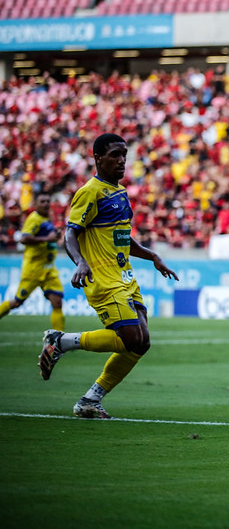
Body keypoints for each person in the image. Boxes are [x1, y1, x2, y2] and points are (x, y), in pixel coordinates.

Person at [37, 133, 179, 419]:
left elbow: (123, 238)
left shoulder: (120, 192)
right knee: (129, 339)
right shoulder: (90, 191)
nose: (121, 160)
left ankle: (91, 399)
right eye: (114, 154)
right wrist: (79, 262)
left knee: (142, 343)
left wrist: (152, 256)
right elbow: (70, 233)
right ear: (98, 158)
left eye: (124, 154)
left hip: (125, 277)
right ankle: (61, 342)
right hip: (102, 278)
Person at [0, 193, 65, 331]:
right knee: (17, 302)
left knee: (57, 302)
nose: (46, 204)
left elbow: (48, 236)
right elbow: (24, 239)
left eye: (48, 201)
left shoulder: (47, 217)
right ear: (36, 204)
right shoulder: (34, 218)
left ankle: (59, 341)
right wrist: (47, 239)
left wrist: (55, 236)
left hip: (49, 269)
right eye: (42, 201)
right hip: (33, 269)